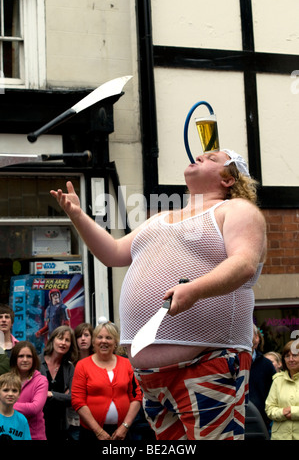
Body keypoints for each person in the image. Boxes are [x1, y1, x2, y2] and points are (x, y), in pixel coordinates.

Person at [51, 149, 267, 440]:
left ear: (229, 179)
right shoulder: (160, 218)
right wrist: (77, 215)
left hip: (207, 361)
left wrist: (194, 289)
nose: (200, 156)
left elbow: (244, 263)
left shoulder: (237, 209)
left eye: (212, 158)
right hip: (151, 378)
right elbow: (112, 253)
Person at [71, 320, 142, 441]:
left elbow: (136, 397)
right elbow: (78, 401)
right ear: (94, 342)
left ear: (115, 343)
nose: (104, 341)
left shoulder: (127, 364)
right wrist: (98, 431)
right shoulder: (82, 365)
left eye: (108, 338)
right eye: (100, 337)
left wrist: (124, 427)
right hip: (91, 434)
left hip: (122, 433)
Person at [40, 325, 77, 441]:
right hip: (38, 424)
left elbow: (73, 398)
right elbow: (32, 394)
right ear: (52, 340)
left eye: (67, 340)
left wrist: (51, 394)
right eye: (60, 338)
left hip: (61, 426)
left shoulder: (69, 368)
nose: (63, 343)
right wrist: (62, 396)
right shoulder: (36, 362)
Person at [9, 341, 48, 440]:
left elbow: (34, 408)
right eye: (21, 356)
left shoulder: (41, 381)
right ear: (15, 359)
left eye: (29, 356)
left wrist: (6, 405)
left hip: (34, 436)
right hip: (10, 435)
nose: (25, 360)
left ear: (34, 359)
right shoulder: (6, 380)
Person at [265, 340, 299, 440]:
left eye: (295, 355)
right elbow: (269, 409)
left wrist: (292, 411)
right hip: (280, 437)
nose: (291, 359)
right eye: (287, 356)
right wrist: (283, 412)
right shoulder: (277, 380)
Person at [67, 322, 94, 441]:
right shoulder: (69, 363)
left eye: (86, 335)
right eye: (79, 336)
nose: (83, 339)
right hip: (74, 417)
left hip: (95, 414)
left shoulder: (98, 360)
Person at [248, 325, 276, 430]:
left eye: (249, 333)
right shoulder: (232, 362)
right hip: (235, 421)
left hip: (262, 422)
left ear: (257, 338)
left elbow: (273, 393)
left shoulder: (267, 365)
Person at [0, 372, 31, 440]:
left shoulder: (22, 420)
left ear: (19, 394)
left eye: (14, 391)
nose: (10, 394)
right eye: (6, 390)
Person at [0, 305, 18, 375]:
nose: (3, 320)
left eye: (7, 317)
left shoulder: (19, 346)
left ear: (12, 323)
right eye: (0, 317)